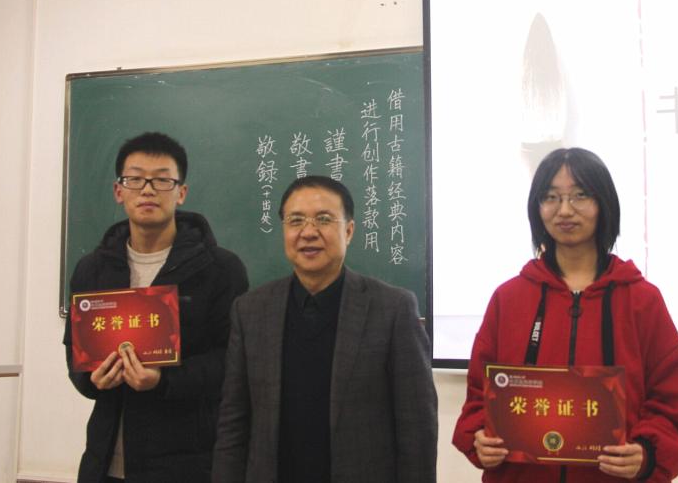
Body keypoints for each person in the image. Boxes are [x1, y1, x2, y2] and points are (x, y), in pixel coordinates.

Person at [453, 147, 678, 482]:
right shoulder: (509, 299)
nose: (564, 210)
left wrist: (646, 453)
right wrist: (480, 438)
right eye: (551, 197)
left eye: (580, 195)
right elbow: (478, 398)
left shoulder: (641, 300)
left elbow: (676, 402)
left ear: (604, 204)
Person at [212, 175, 438, 483]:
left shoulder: (393, 309)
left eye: (323, 219)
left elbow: (417, 429)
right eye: (296, 221)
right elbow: (233, 422)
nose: (308, 232)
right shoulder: (250, 310)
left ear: (349, 231)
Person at [64, 132, 249, 483]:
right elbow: (75, 354)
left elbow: (232, 361)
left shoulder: (220, 269)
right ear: (118, 191)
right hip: (106, 461)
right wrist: (92, 380)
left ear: (182, 192)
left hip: (187, 463)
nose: (147, 190)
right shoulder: (93, 269)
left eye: (162, 180)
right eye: (135, 179)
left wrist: (164, 380)